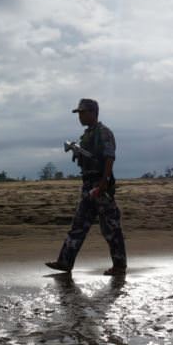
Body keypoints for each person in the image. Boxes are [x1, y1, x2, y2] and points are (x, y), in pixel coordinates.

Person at [46, 99, 127, 275]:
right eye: (79, 113)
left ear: (92, 112)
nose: (80, 116)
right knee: (78, 226)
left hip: (100, 185)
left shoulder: (104, 133)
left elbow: (109, 158)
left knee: (111, 228)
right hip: (88, 185)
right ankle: (65, 262)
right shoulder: (87, 135)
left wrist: (104, 184)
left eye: (82, 113)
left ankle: (119, 266)